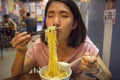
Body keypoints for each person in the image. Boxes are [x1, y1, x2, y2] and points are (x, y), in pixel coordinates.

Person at [11, 0, 112, 80]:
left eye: (64, 16)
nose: (55, 22)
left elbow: (108, 77)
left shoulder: (84, 45)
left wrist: (96, 69)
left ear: (74, 24)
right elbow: (16, 76)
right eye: (50, 16)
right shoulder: (39, 45)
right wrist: (20, 52)